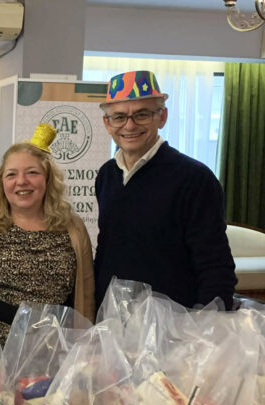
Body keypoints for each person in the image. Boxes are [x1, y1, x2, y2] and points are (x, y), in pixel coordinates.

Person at [93, 70, 236, 310]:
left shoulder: (194, 178)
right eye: (119, 116)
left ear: (162, 117)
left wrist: (206, 323)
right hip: (113, 318)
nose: (130, 125)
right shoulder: (107, 175)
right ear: (107, 123)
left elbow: (215, 264)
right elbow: (108, 250)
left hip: (174, 322)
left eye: (142, 114)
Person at [0, 124, 95, 343]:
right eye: (11, 174)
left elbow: (86, 295)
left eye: (32, 172)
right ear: (2, 182)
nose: (21, 181)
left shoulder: (73, 227)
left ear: (48, 179)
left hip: (59, 347)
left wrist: (85, 345)